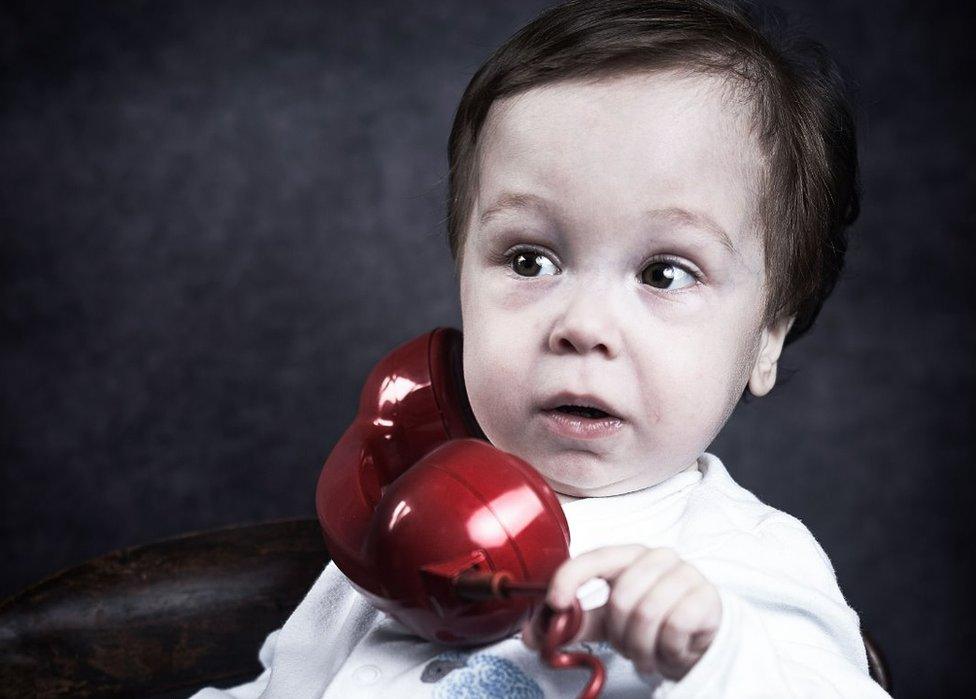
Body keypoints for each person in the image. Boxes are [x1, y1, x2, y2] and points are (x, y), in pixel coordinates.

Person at [193, 0, 891, 696]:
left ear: (767, 337)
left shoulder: (747, 563)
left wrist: (717, 653)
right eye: (529, 260)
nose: (582, 325)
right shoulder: (400, 505)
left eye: (663, 273)